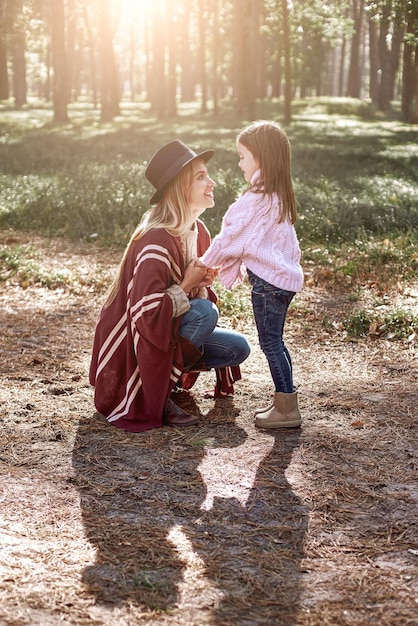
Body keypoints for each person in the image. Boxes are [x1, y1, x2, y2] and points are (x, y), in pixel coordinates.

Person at [89, 140, 250, 433]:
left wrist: (200, 284)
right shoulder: (155, 239)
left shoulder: (199, 231)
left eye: (207, 174)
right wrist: (189, 283)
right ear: (180, 188)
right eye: (201, 177)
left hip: (167, 332)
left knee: (237, 348)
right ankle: (157, 396)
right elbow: (144, 315)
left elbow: (188, 299)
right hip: (133, 345)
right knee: (204, 313)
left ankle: (168, 378)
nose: (211, 182)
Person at [200, 121, 304, 429]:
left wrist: (204, 264)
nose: (239, 163)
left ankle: (286, 408)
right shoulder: (276, 194)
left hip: (269, 284)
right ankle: (285, 402)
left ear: (261, 157)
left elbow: (230, 238)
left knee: (271, 343)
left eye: (243, 156)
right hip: (281, 283)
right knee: (277, 342)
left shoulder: (257, 198)